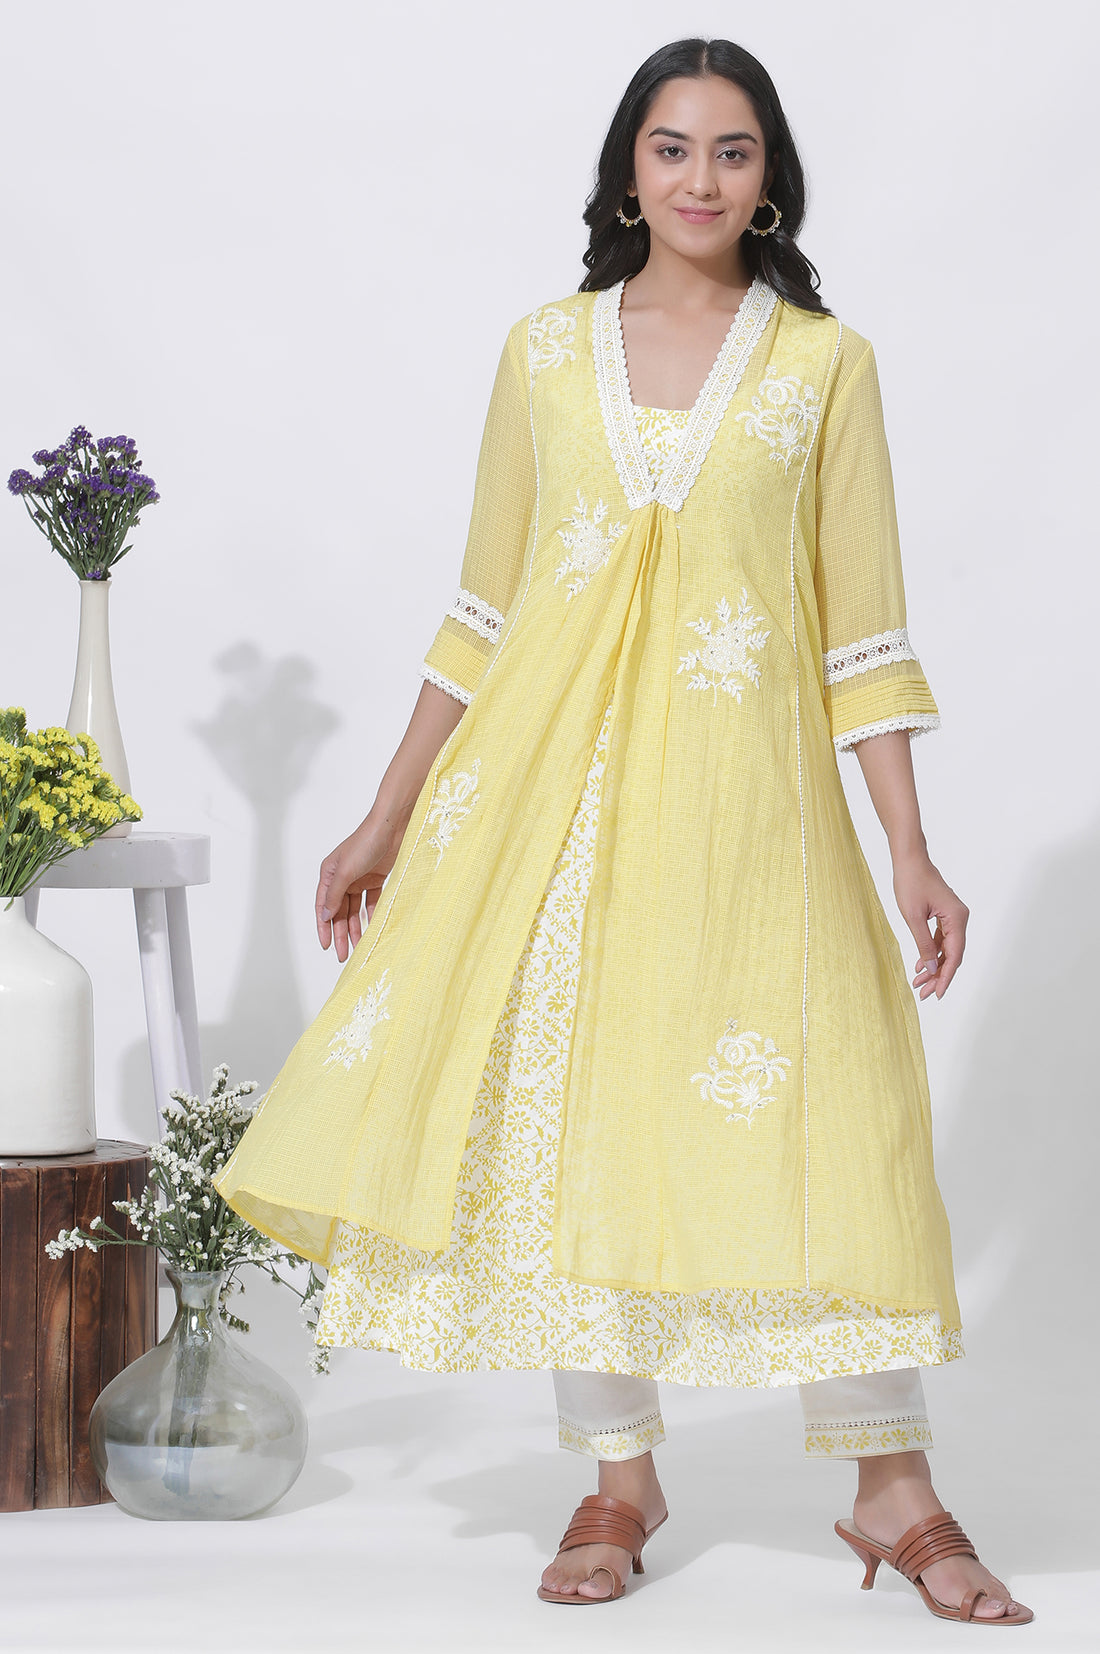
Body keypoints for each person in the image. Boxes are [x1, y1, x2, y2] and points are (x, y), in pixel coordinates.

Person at [215, 37, 1032, 1628]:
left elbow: (863, 631)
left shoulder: (824, 366)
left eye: (732, 151)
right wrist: (384, 813)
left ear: (771, 177)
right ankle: (616, 1472)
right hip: (552, 804)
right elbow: (482, 609)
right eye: (671, 148)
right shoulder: (543, 352)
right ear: (626, 172)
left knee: (829, 1115)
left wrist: (909, 848)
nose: (700, 178)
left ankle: (891, 1480)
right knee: (575, 1117)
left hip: (749, 811)